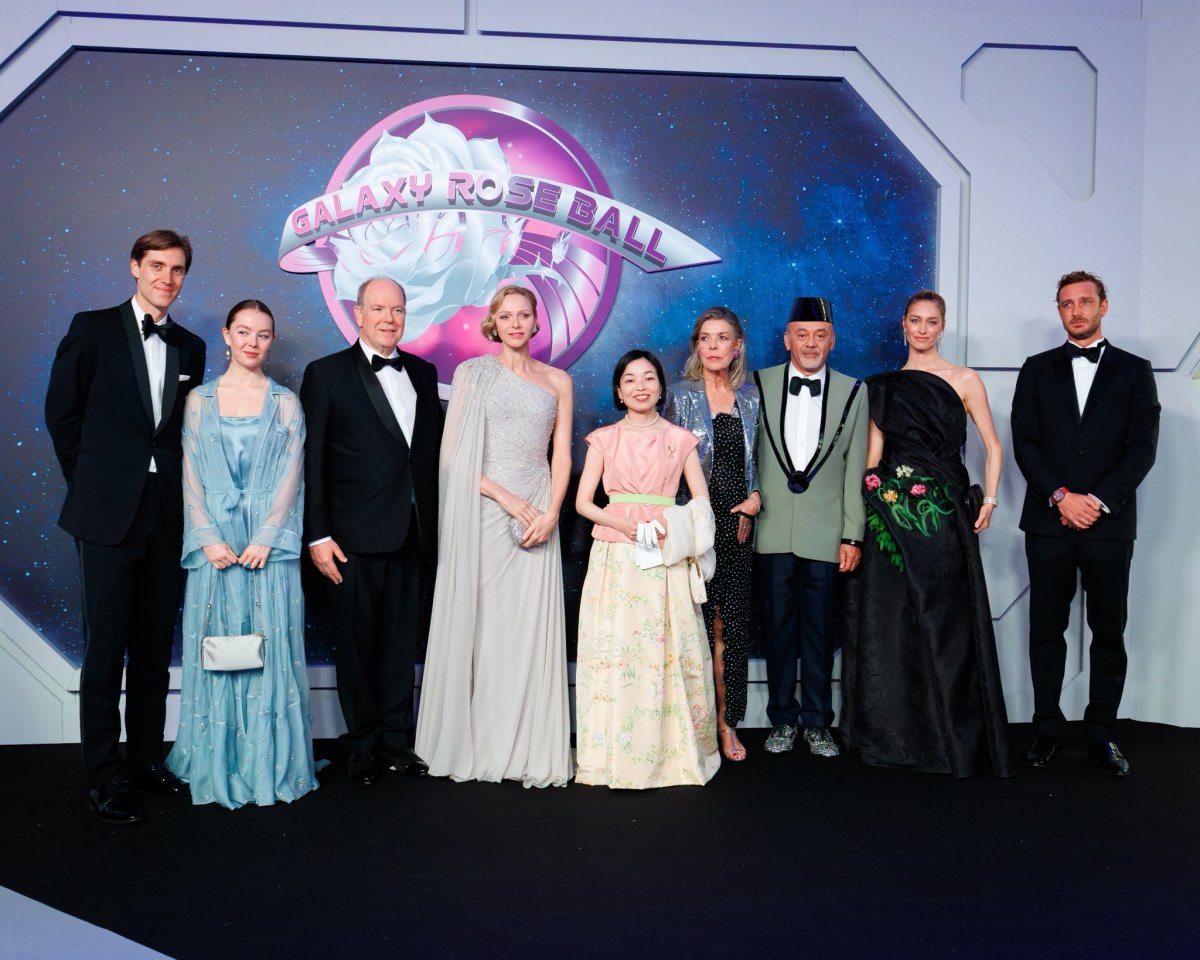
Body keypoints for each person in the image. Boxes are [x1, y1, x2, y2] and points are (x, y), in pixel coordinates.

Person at [45, 230, 206, 824]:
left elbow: (181, 434)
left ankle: (145, 760)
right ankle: (104, 774)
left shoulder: (190, 347)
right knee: (106, 649)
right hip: (106, 514)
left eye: (177, 269)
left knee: (154, 650)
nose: (167, 278)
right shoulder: (92, 329)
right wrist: (92, 485)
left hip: (166, 515)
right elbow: (62, 414)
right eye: (157, 265)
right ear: (135, 267)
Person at [840, 290, 1014, 777]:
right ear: (903, 325)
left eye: (931, 322)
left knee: (946, 620)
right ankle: (898, 736)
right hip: (892, 517)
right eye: (915, 321)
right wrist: (868, 517)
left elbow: (993, 445)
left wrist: (991, 499)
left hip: (946, 516)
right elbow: (872, 462)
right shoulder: (881, 386)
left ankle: (952, 738)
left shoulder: (965, 379)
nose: (922, 329)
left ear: (942, 326)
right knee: (895, 621)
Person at [165, 300, 322, 807]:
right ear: (227, 336)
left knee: (268, 650)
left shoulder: (285, 403)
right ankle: (217, 762)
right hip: (214, 543)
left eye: (263, 334)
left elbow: (293, 477)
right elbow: (190, 473)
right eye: (244, 332)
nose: (253, 342)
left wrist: (266, 537)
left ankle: (268, 765)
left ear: (271, 341)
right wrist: (207, 535)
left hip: (267, 546)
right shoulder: (198, 400)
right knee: (218, 652)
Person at [415, 285, 573, 787]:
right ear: (494, 323)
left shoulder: (558, 380)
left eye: (524, 315)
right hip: (485, 511)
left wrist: (551, 512)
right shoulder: (473, 373)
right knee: (484, 626)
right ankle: (480, 741)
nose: (516, 323)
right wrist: (505, 498)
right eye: (506, 316)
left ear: (536, 321)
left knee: (527, 629)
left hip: (539, 513)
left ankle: (525, 744)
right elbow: (450, 458)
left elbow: (562, 454)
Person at [1012, 270, 1159, 777]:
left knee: (1109, 632)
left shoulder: (1135, 370)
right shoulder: (1035, 369)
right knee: (1045, 631)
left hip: (1108, 525)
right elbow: (1025, 442)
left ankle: (1103, 734)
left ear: (1103, 306)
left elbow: (1143, 448)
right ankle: (1047, 729)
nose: (1076, 311)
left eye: (1085, 302)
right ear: (1059, 310)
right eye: (1067, 304)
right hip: (1048, 521)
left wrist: (1095, 501)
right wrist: (1060, 497)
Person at [300, 276, 443, 785]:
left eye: (397, 309)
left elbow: (426, 457)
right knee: (357, 644)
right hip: (350, 539)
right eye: (378, 309)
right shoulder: (326, 373)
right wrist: (318, 535)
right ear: (358, 314)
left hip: (413, 533)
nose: (389, 318)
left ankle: (396, 741)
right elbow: (312, 461)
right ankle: (361, 745)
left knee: (401, 643)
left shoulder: (423, 372)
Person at [575, 350, 720, 788]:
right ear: (619, 391)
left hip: (664, 553)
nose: (640, 386)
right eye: (630, 380)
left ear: (660, 387)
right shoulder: (603, 439)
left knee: (666, 649)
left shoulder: (680, 439)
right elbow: (583, 503)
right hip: (617, 556)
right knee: (619, 648)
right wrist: (624, 525)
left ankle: (672, 755)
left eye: (649, 378)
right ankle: (614, 754)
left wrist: (669, 526)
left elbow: (701, 502)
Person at [753, 296, 867, 759]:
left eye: (820, 335)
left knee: (820, 631)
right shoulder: (758, 383)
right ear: (787, 339)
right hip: (771, 528)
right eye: (802, 335)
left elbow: (856, 467)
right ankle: (783, 718)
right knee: (777, 630)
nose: (811, 343)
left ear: (832, 341)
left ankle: (818, 722)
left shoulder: (854, 391)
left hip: (826, 532)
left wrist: (852, 533)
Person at [663, 306, 761, 762]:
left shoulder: (752, 397)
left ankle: (727, 724)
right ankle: (692, 727)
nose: (714, 346)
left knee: (732, 628)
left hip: (738, 527)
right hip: (694, 527)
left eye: (723, 338)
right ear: (697, 346)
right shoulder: (679, 396)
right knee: (694, 627)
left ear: (737, 346)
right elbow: (665, 466)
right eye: (706, 338)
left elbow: (761, 461)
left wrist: (756, 496)